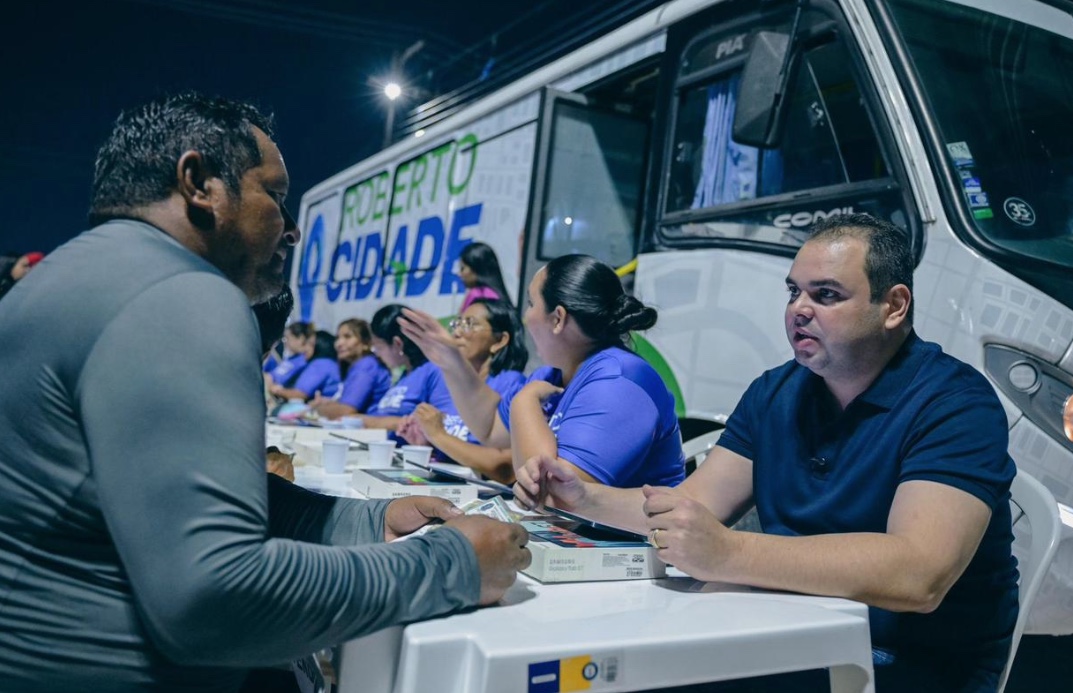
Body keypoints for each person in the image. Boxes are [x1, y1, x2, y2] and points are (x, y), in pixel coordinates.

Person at [0, 92, 529, 692]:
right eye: (275, 196)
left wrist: (367, 521)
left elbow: (163, 496)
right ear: (199, 183)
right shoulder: (181, 293)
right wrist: (454, 564)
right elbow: (216, 601)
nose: (293, 229)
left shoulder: (73, 278)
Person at [516, 214, 1018, 692]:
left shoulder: (955, 402)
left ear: (894, 306)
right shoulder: (775, 392)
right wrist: (583, 498)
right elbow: (694, 506)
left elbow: (918, 575)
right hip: (790, 625)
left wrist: (731, 553)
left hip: (906, 658)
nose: (799, 309)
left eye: (826, 295)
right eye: (794, 291)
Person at [401, 254, 686, 488]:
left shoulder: (619, 382)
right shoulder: (550, 374)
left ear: (558, 319)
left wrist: (524, 402)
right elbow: (490, 429)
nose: (526, 317)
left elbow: (556, 496)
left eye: (531, 304)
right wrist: (451, 361)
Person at [397, 298, 528, 484]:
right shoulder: (450, 382)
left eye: (469, 324)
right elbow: (454, 447)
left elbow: (504, 467)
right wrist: (425, 442)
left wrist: (438, 436)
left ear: (499, 340)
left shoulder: (512, 384)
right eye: (457, 324)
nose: (457, 332)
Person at [346, 303, 455, 433]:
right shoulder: (404, 374)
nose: (377, 353)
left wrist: (374, 422)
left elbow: (446, 422)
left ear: (397, 344)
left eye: (379, 347)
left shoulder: (434, 371)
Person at [310, 318, 392, 420]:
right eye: (337, 338)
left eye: (347, 337)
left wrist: (316, 409)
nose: (339, 344)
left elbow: (346, 411)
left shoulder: (366, 365)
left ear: (365, 343)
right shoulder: (358, 365)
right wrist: (331, 403)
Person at [268, 328, 341, 401]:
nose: (305, 348)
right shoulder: (328, 362)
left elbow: (300, 394)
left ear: (319, 346)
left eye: (310, 345)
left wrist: (277, 391)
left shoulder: (322, 364)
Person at [458, 241, 511, 312]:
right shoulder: (498, 296)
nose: (459, 274)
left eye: (462, 268)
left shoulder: (477, 295)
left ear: (477, 268)